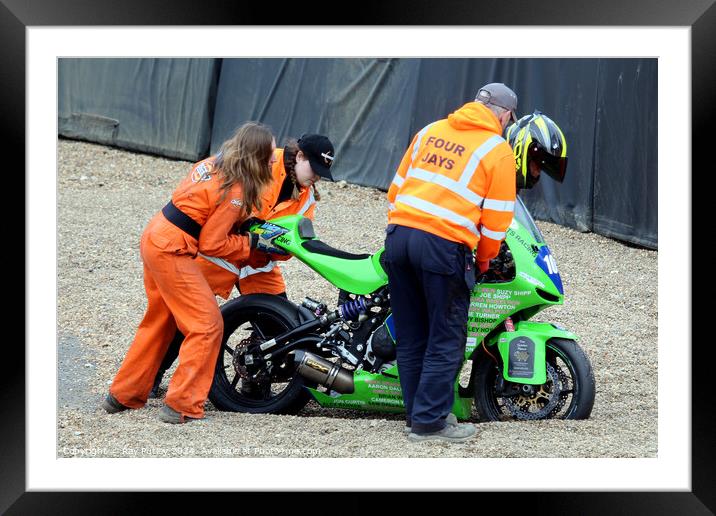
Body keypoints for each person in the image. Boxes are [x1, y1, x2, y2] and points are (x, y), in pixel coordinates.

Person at [101, 122, 286, 424]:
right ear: (254, 156)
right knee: (207, 325)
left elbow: (194, 207)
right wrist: (251, 241)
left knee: (160, 322)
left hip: (155, 235)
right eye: (268, 156)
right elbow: (212, 244)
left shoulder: (214, 163)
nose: (272, 161)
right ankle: (182, 405)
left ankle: (123, 395)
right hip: (172, 249)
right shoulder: (236, 191)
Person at [147, 134, 336, 399]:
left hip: (259, 261)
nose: (316, 177)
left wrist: (277, 250)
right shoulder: (264, 160)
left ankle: (254, 383)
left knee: (277, 324)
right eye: (314, 169)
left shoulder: (307, 197)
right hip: (221, 253)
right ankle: (152, 376)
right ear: (300, 156)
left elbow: (295, 241)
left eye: (322, 172)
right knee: (185, 318)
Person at [384, 82, 519, 442]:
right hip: (443, 245)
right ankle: (430, 424)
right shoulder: (498, 150)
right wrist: (485, 261)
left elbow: (396, 189)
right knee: (446, 336)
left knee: (413, 335)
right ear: (505, 116)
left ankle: (420, 415)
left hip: (399, 237)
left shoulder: (430, 131)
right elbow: (497, 220)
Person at [505, 111, 568, 190]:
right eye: (537, 164)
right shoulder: (493, 175)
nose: (538, 173)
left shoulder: (508, 187)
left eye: (541, 168)